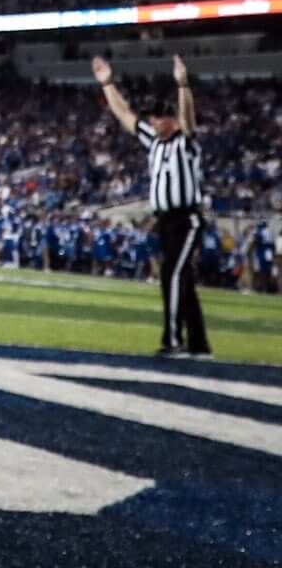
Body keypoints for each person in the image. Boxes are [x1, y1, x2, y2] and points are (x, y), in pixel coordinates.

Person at [93, 53, 211, 358]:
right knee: (182, 279)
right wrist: (107, 83)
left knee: (171, 274)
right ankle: (199, 344)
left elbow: (189, 120)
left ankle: (172, 340)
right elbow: (125, 115)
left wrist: (183, 84)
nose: (154, 121)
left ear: (170, 119)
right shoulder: (154, 141)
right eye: (153, 117)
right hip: (166, 221)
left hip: (186, 219)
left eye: (159, 117)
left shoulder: (184, 143)